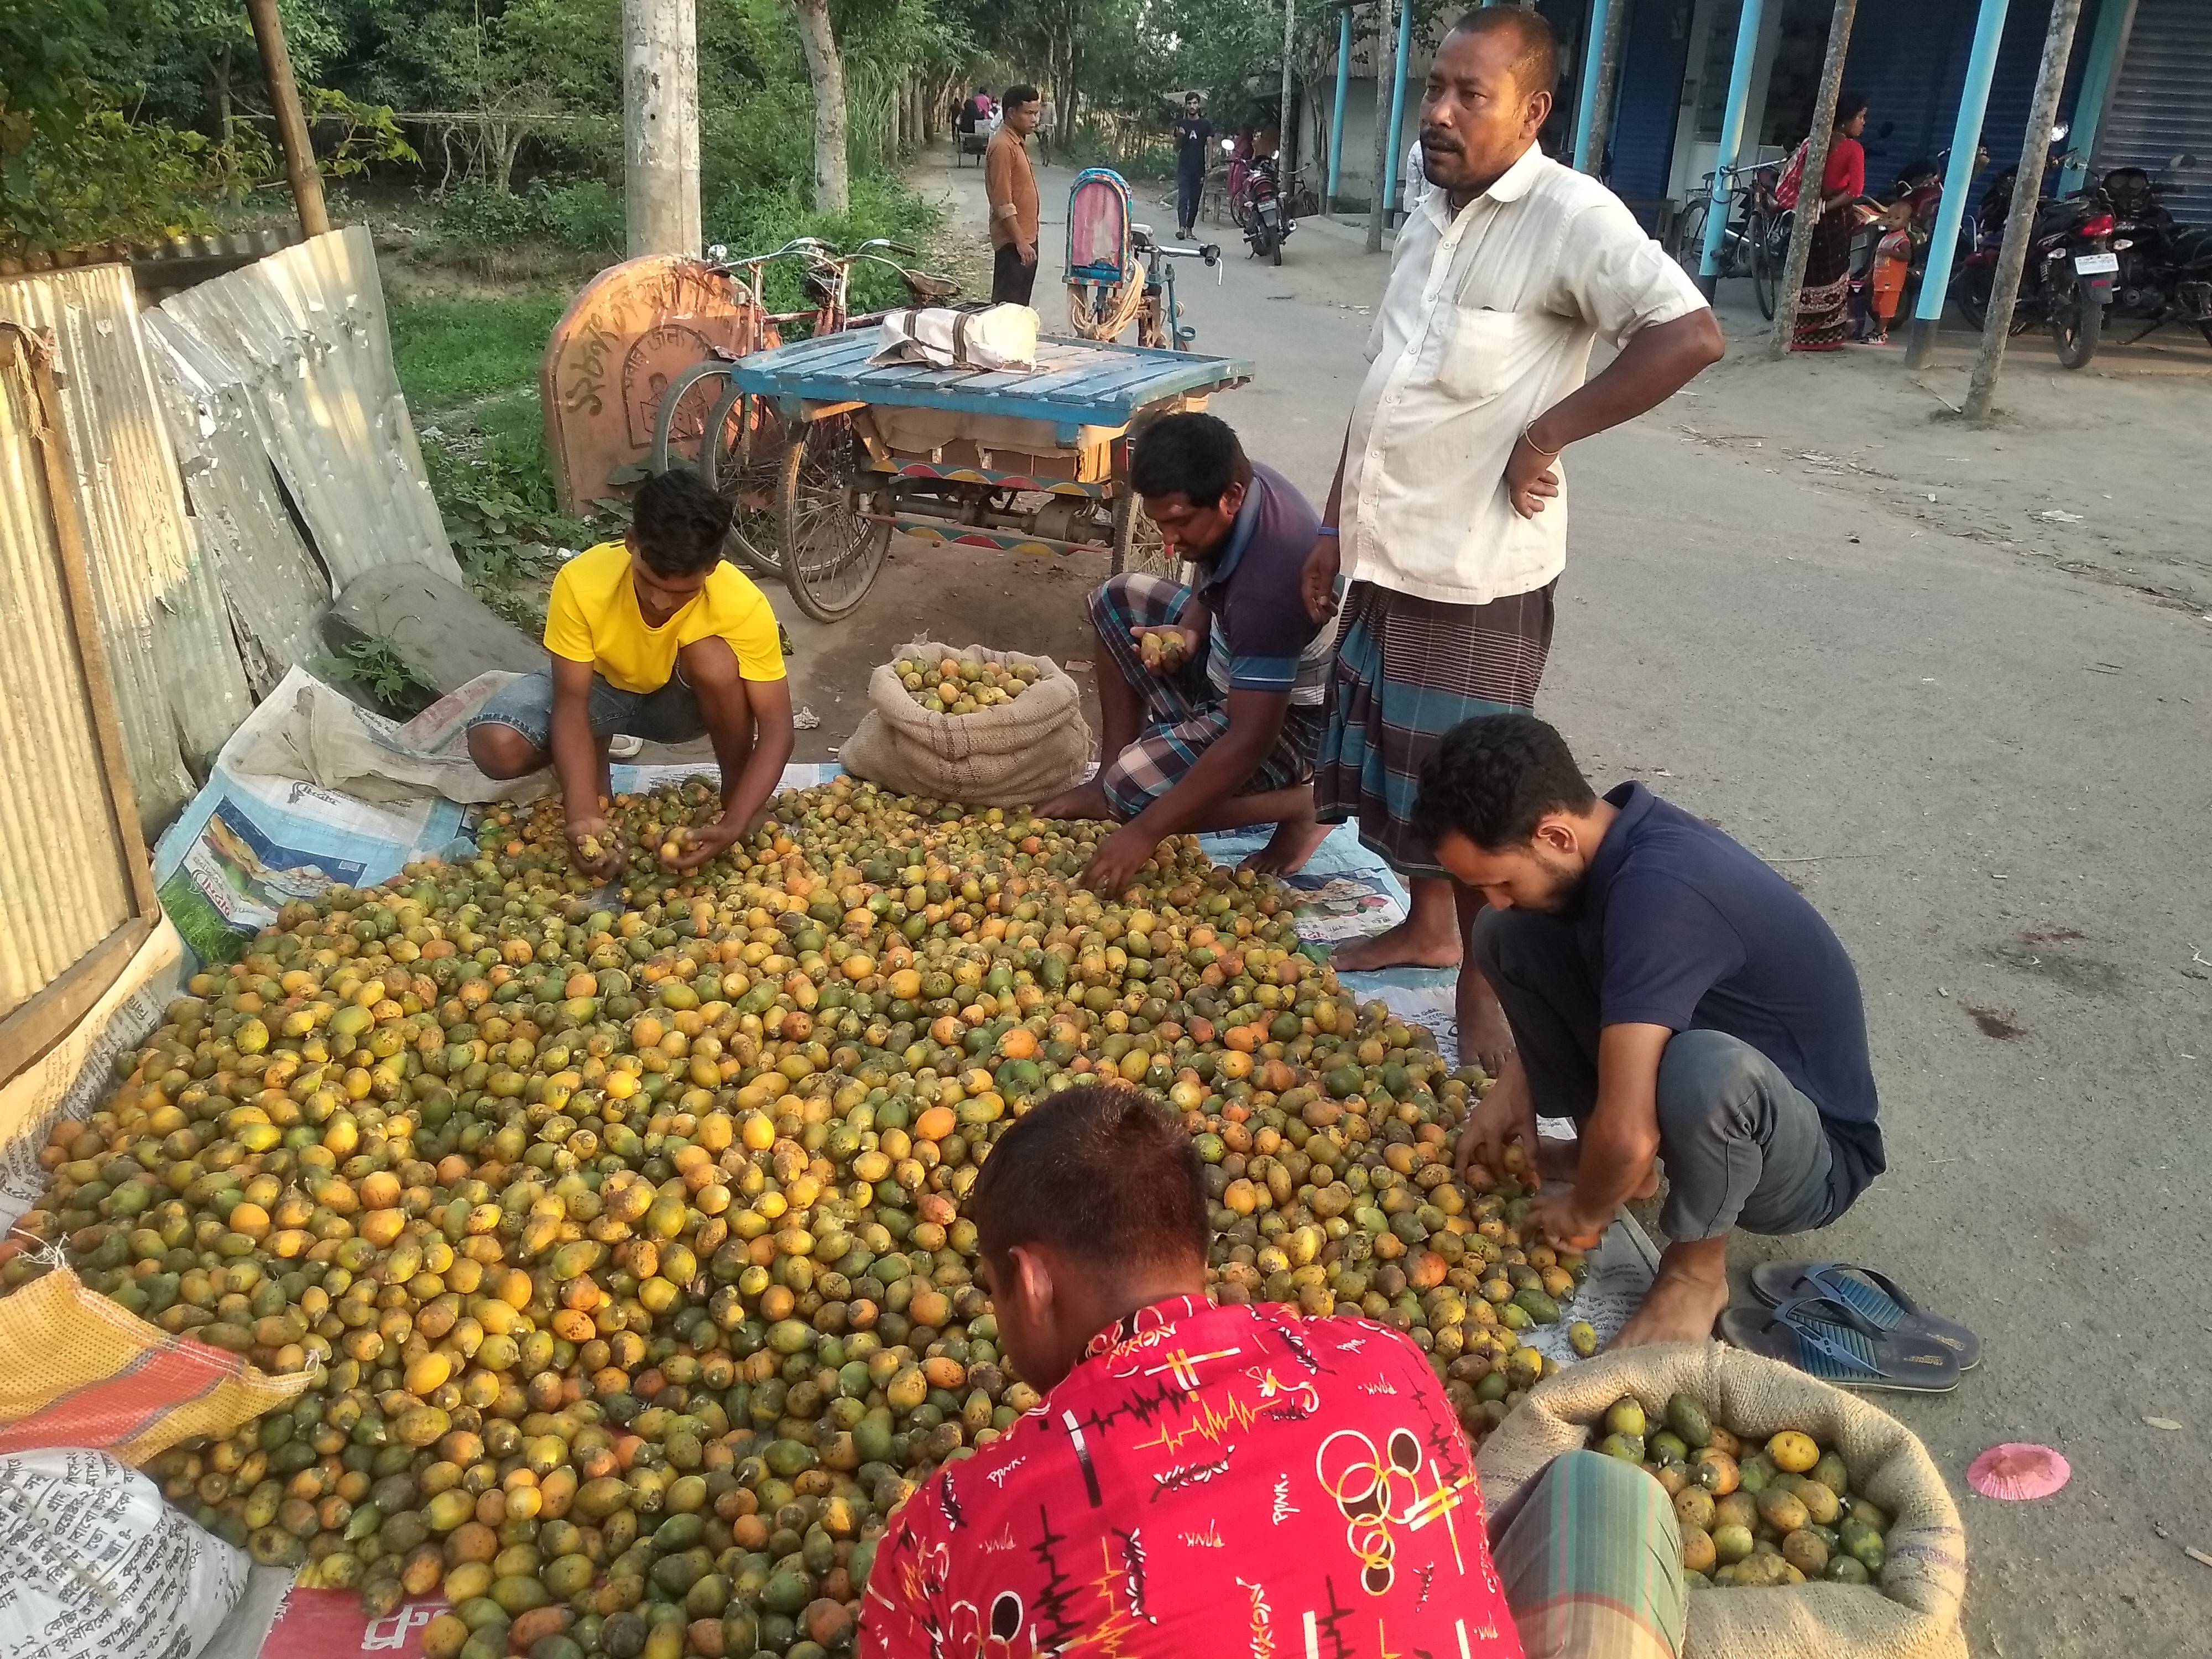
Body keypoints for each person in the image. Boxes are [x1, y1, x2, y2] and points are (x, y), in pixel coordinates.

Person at [859, 1083, 1688, 1659]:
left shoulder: (953, 1530)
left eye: (995, 1290)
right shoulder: (1383, 1361)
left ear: (1033, 1283)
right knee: (1606, 1492)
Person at [1298, 9, 1723, 1076]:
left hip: (1478, 573)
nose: (1437, 112)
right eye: (1433, 88)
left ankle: (1483, 997)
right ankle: (1427, 929)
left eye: (1468, 95)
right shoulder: (1425, 207)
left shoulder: (1574, 218)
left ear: (1532, 110)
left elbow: (1690, 334)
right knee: (1400, 779)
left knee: (1479, 797)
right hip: (1388, 551)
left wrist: (1546, 433)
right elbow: (1384, 383)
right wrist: (1332, 518)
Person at [1411, 713, 1886, 1349]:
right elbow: (1584, 973)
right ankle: (1606, 1165)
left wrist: (1585, 1211)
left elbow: (1636, 1131)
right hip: (1717, 1076)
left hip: (1807, 1153)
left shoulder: (1661, 892)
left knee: (1702, 1070)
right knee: (1509, 935)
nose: (1493, 896)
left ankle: (1696, 1270)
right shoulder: (1605, 845)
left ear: (1553, 834)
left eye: (1498, 879)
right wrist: (1516, 1085)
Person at [1036, 413, 1338, 891]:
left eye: (1178, 523)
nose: (1168, 543)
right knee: (1116, 598)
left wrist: (1144, 833)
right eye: (1159, 523)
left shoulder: (1272, 588)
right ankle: (1108, 779)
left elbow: (1251, 739)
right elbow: (1214, 564)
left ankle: (1308, 803)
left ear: (1231, 498)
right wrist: (1193, 629)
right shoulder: (1237, 482)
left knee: (1131, 794)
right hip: (1235, 663)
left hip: (1295, 726)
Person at [465, 469, 795, 878]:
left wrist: (732, 824)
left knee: (714, 658)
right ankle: (593, 771)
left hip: (679, 705)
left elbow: (778, 727)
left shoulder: (742, 604)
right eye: (648, 581)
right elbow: (571, 700)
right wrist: (582, 814)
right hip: (599, 693)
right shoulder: (582, 581)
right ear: (631, 542)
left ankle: (735, 791)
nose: (660, 601)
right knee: (495, 745)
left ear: (713, 566)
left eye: (681, 594)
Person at [1792, 95, 1869, 352]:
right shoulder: (1853, 149)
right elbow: (1855, 191)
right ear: (1846, 121)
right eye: (1861, 117)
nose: (1863, 123)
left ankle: (1799, 332)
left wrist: (1815, 206)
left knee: (1808, 272)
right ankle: (1825, 337)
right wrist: (1827, 208)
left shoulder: (1813, 144)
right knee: (1833, 272)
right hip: (1834, 219)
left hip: (1806, 216)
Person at [986, 86, 1044, 306]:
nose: (1035, 120)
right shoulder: (1002, 146)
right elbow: (1003, 202)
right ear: (1011, 113)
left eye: (1036, 113)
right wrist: (1020, 242)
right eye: (1029, 113)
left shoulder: (1016, 142)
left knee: (1019, 307)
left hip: (1025, 239)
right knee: (1006, 309)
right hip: (1013, 243)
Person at [1173, 91, 1214, 238]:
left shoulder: (1205, 125)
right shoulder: (1180, 124)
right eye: (1189, 104)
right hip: (1184, 167)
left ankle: (1190, 228)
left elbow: (1209, 144)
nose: (1192, 106)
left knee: (1195, 200)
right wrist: (1180, 137)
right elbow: (1176, 148)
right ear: (1186, 106)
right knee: (1183, 198)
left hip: (1199, 168)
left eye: (1195, 103)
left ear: (1199, 105)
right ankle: (1182, 228)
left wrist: (1209, 163)